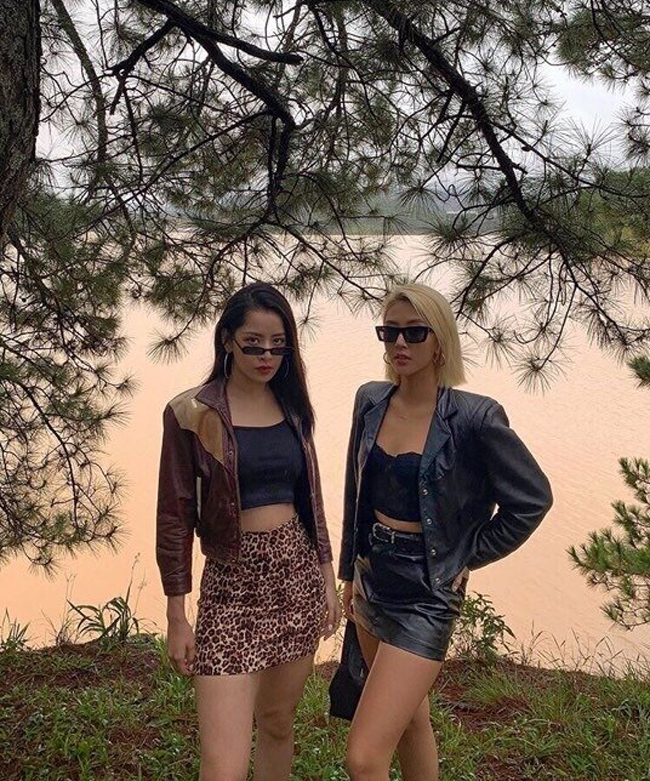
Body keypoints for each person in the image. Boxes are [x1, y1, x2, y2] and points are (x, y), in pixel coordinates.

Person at [338, 283, 553, 781]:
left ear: (440, 340)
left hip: (428, 591)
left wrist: (468, 554)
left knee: (363, 758)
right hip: (373, 576)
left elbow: (532, 499)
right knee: (411, 720)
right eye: (389, 332)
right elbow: (355, 490)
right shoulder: (370, 401)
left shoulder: (475, 417)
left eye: (414, 332)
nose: (400, 343)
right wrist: (350, 570)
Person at [156, 282, 340, 781]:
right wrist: (177, 613)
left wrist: (326, 576)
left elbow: (311, 499)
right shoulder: (191, 413)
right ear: (227, 340)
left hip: (296, 582)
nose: (266, 357)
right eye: (253, 344)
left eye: (278, 345)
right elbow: (174, 515)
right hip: (231, 589)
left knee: (277, 722)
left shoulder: (293, 408)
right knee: (224, 764)